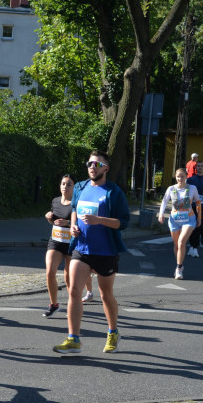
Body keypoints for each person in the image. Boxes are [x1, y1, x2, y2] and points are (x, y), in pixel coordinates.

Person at [53, 150, 130, 356]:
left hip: (106, 251)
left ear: (106, 168)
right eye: (89, 163)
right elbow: (76, 208)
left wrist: (99, 221)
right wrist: (73, 227)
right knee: (74, 291)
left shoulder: (113, 192)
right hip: (82, 248)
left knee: (106, 295)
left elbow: (123, 222)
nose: (92, 167)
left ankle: (113, 332)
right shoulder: (80, 187)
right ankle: (73, 339)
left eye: (97, 164)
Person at [43, 174, 92, 318]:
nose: (65, 187)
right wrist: (49, 219)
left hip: (72, 244)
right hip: (56, 241)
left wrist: (69, 224)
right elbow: (55, 221)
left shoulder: (78, 202)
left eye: (69, 184)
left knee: (70, 277)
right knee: (50, 272)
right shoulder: (56, 201)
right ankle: (54, 305)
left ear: (74, 187)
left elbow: (83, 224)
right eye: (63, 184)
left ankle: (73, 304)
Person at [158, 168, 201, 280]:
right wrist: (161, 214)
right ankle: (180, 263)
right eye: (178, 176)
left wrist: (199, 217)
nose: (180, 178)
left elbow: (198, 202)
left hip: (189, 219)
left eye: (182, 176)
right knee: (177, 245)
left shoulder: (192, 188)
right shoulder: (171, 189)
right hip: (174, 220)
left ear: (186, 176)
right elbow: (164, 201)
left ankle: (178, 268)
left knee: (182, 242)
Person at [186, 160, 203, 257]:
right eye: (198, 166)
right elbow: (186, 193)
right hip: (193, 207)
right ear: (196, 168)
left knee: (201, 227)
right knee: (193, 227)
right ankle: (193, 247)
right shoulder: (191, 180)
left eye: (202, 166)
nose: (200, 167)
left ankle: (199, 241)